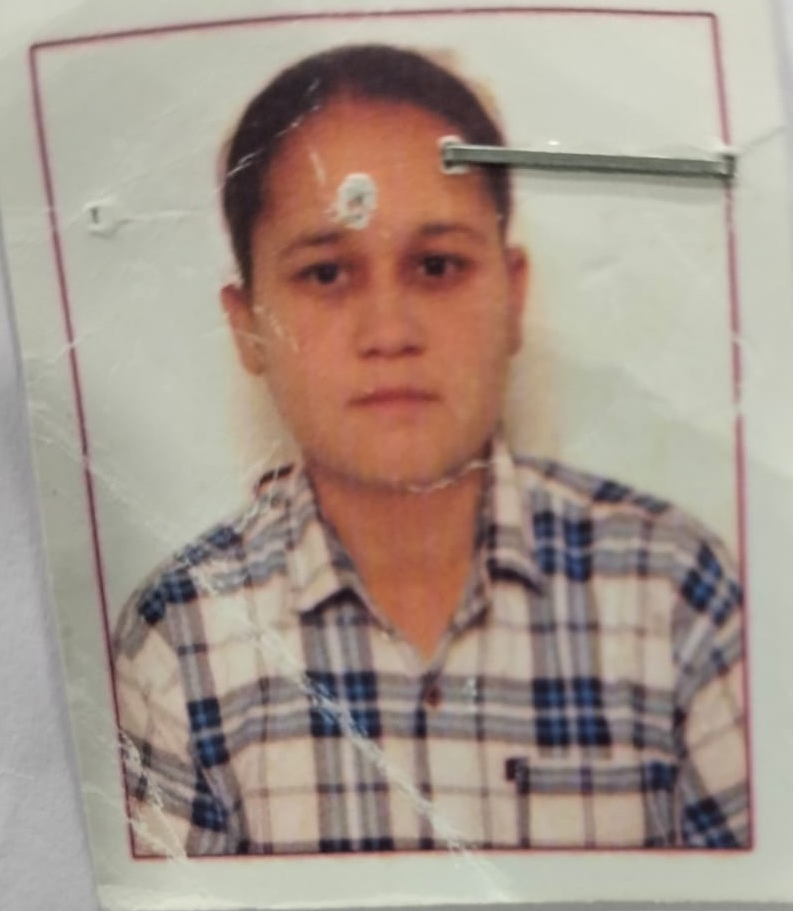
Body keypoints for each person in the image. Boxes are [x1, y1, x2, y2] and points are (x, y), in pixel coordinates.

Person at [113, 43, 749, 857]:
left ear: (512, 296)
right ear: (248, 328)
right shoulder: (180, 639)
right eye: (326, 273)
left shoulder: (672, 589)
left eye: (437, 265)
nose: (390, 332)